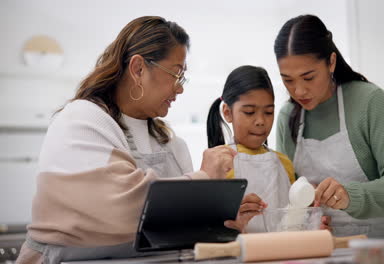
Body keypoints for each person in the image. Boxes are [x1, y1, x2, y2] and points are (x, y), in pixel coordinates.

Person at [16, 16, 240, 264]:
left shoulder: (171, 143)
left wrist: (224, 221)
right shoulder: (82, 119)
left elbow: (181, 227)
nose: (180, 89)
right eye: (176, 74)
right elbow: (122, 209)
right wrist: (205, 177)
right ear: (138, 69)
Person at [274, 15, 384, 237]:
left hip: (380, 249)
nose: (299, 91)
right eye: (288, 80)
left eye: (308, 77)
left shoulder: (368, 101)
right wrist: (306, 220)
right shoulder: (287, 117)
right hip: (320, 251)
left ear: (331, 62)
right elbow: (289, 198)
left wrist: (350, 196)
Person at [207, 65, 330, 233]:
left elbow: (296, 216)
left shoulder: (283, 163)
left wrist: (314, 221)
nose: (260, 121)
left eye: (268, 112)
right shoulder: (218, 162)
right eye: (249, 112)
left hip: (283, 253)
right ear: (228, 112)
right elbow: (209, 226)